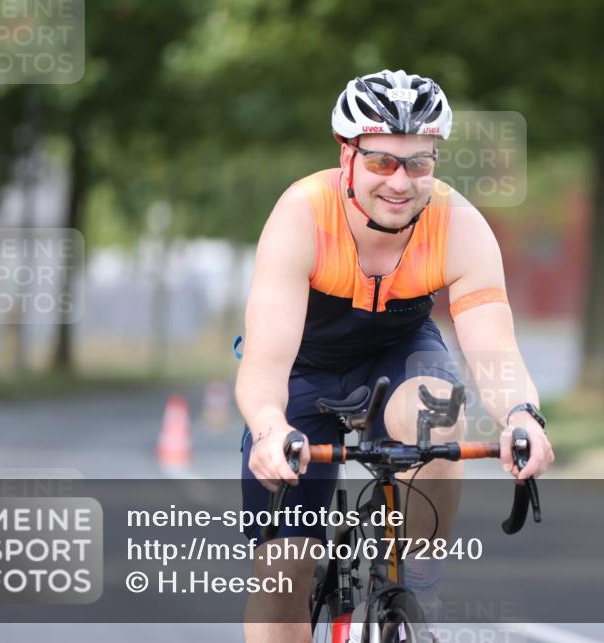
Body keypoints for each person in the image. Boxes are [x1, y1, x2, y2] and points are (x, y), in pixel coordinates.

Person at [235, 69, 554, 643]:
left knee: (439, 406)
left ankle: (418, 587)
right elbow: (264, 362)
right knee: (280, 586)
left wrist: (521, 414)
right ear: (347, 155)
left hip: (398, 355)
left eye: (419, 163)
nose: (400, 182)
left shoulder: (459, 225)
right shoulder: (301, 215)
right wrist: (267, 427)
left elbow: (493, 345)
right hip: (303, 373)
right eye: (382, 161)